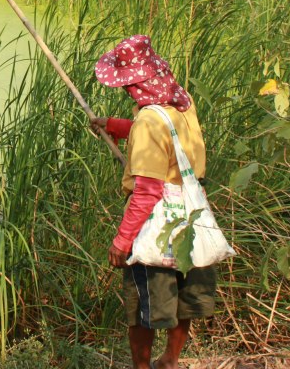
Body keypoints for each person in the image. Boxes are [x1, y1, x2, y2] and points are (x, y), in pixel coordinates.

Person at [92, 35, 215, 369]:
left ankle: (143, 367)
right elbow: (165, 136)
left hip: (159, 222)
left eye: (127, 86)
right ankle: (171, 359)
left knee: (142, 308)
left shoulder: (148, 120)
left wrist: (122, 241)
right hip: (191, 213)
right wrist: (116, 126)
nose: (126, 92)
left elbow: (147, 191)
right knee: (185, 296)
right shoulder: (182, 102)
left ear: (135, 85)